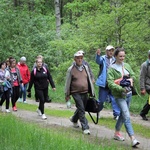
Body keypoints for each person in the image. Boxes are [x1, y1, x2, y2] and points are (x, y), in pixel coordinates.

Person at [107, 47, 140, 147]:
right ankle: (133, 138)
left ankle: (117, 133)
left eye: (123, 56)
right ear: (115, 56)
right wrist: (121, 87)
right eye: (120, 56)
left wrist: (130, 79)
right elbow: (110, 83)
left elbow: (134, 75)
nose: (122, 58)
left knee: (122, 113)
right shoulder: (111, 69)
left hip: (129, 94)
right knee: (126, 115)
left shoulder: (127, 66)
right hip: (119, 96)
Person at [65, 51, 95, 135]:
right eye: (78, 58)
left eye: (81, 58)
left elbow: (88, 79)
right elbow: (67, 83)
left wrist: (91, 91)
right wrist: (67, 95)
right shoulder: (71, 69)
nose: (80, 59)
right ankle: (85, 127)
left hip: (85, 92)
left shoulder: (85, 67)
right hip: (75, 92)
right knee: (81, 109)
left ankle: (74, 119)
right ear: (75, 59)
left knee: (81, 108)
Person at [95, 45, 120, 119]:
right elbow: (98, 61)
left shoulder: (115, 60)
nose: (111, 52)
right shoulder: (102, 58)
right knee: (101, 100)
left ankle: (116, 114)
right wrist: (98, 55)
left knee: (114, 99)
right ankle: (98, 111)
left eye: (112, 51)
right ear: (106, 51)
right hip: (104, 83)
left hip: (112, 83)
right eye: (109, 50)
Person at [139, 50, 150, 121]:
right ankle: (143, 113)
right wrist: (142, 88)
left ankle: (143, 113)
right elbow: (142, 77)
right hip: (148, 85)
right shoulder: (145, 65)